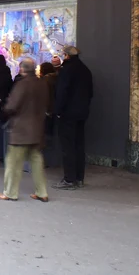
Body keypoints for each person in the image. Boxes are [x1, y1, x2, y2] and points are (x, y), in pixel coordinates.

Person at [0, 58, 49, 202]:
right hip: (37, 129)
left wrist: (5, 110)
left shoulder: (22, 85)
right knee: (37, 162)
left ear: (21, 69)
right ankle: (42, 192)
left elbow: (12, 106)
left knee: (13, 162)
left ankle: (10, 192)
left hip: (21, 130)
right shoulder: (42, 84)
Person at [53, 46, 93, 190]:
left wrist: (57, 111)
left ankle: (69, 179)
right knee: (79, 145)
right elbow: (90, 93)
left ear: (66, 56)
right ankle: (79, 178)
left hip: (68, 113)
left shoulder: (66, 70)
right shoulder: (85, 70)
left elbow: (61, 92)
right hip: (82, 113)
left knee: (68, 146)